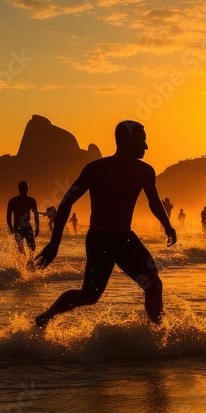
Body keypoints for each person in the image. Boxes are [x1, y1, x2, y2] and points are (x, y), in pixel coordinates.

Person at [33, 120, 177, 328]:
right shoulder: (97, 169)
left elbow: (154, 202)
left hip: (125, 239)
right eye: (142, 141)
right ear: (126, 140)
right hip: (100, 240)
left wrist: (168, 226)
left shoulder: (145, 171)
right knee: (89, 296)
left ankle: (160, 333)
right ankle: (45, 317)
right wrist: (55, 243)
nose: (146, 146)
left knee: (153, 285)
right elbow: (66, 203)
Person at [7, 181, 40, 254]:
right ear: (20, 189)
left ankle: (29, 262)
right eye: (25, 188)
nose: (26, 190)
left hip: (24, 227)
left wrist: (37, 228)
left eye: (27, 188)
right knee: (22, 247)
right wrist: (12, 230)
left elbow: (36, 215)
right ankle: (26, 262)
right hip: (20, 227)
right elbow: (8, 217)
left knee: (31, 247)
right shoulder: (13, 201)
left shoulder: (31, 200)